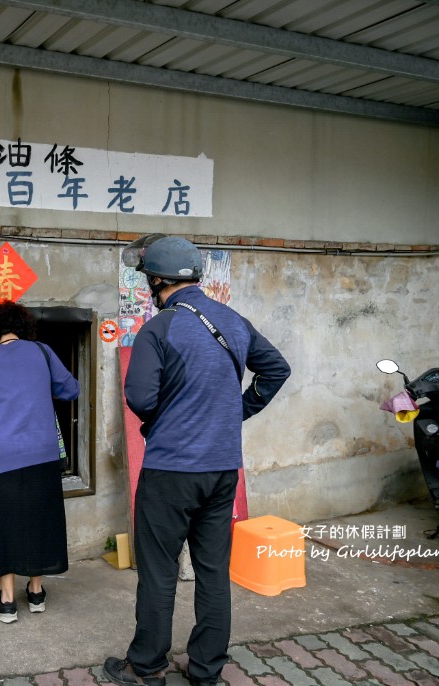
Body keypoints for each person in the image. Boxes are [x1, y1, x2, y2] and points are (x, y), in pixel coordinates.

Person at [104, 235, 291, 686]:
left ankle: (147, 666)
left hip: (170, 471)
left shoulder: (159, 328)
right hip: (223, 469)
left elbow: (140, 397)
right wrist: (236, 410)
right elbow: (276, 369)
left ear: (156, 280)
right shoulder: (234, 320)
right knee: (212, 572)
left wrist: (173, 419)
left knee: (159, 570)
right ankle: (206, 669)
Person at [0, 300, 80, 624]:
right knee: (39, 519)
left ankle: (6, 601)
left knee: (4, 526)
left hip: (0, 456)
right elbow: (71, 389)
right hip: (42, 454)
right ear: (24, 327)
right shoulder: (42, 352)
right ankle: (37, 592)